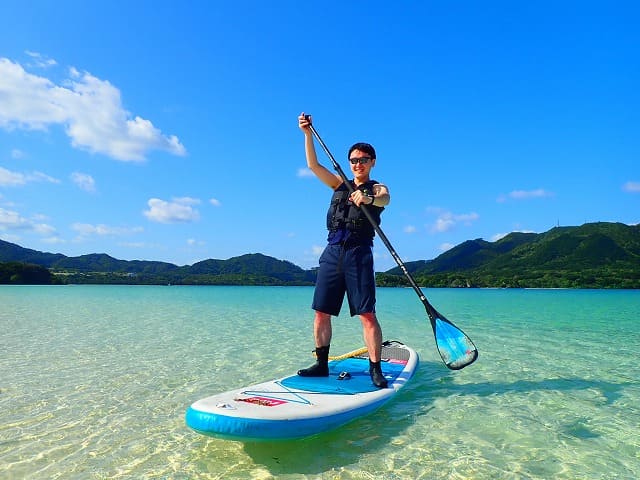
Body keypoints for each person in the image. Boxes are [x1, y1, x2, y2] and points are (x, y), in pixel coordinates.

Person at [297, 112, 390, 388]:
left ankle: (376, 368)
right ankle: (321, 363)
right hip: (332, 252)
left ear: (372, 162)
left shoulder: (377, 187)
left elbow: (385, 199)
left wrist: (368, 197)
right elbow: (313, 165)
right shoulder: (339, 184)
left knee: (367, 314)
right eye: (354, 160)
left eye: (363, 160)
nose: (358, 164)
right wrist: (307, 134)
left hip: (358, 253)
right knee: (321, 312)